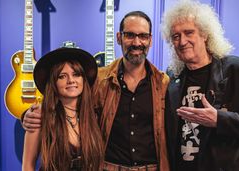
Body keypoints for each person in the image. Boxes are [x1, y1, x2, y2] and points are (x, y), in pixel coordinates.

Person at [23, 11, 170, 171]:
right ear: (119, 37)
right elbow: (65, 101)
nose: (136, 42)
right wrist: (28, 114)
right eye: (129, 35)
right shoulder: (98, 80)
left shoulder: (163, 83)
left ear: (150, 40)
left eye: (143, 36)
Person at [161, 0, 239, 171]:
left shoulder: (238, 70)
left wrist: (219, 120)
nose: (182, 41)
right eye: (176, 36)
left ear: (204, 34)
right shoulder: (172, 76)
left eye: (188, 32)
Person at [22, 47, 104, 171]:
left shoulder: (92, 114)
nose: (71, 81)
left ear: (83, 79)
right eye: (62, 76)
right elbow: (28, 166)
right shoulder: (40, 115)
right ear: (53, 83)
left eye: (76, 74)